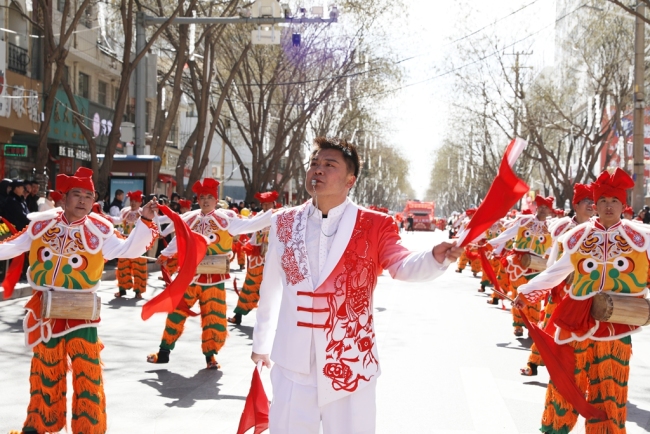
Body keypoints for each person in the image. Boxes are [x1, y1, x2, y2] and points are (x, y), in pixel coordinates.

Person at [251, 137, 462, 434]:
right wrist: (260, 344)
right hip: (291, 362)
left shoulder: (375, 224)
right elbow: (270, 286)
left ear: (350, 180)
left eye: (329, 165)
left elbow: (401, 264)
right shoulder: (283, 222)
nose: (318, 170)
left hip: (350, 362)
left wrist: (434, 258)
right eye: (314, 164)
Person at [0, 167, 158, 434]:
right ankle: (39, 424)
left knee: (88, 372)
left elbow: (128, 249)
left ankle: (88, 428)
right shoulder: (42, 224)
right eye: (77, 194)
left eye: (88, 195)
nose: (83, 200)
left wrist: (144, 220)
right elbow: (11, 247)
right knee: (45, 369)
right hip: (46, 309)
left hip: (81, 312)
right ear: (65, 198)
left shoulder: (100, 229)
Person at [515, 169, 644, 434]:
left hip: (616, 325)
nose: (609, 207)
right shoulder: (577, 237)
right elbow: (556, 271)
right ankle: (554, 429)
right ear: (595, 206)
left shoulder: (641, 239)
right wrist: (527, 290)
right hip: (575, 320)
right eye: (603, 201)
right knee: (565, 383)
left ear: (623, 205)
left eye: (615, 201)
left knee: (609, 390)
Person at [147, 178, 272, 369]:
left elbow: (252, 225)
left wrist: (277, 214)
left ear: (216, 199)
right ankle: (164, 352)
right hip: (189, 277)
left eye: (209, 197)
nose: (205, 201)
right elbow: (179, 239)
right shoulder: (189, 218)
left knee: (214, 319)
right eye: (202, 197)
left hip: (214, 279)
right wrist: (165, 254)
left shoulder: (226, 220)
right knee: (176, 314)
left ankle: (210, 357)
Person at [519, 183, 594, 377]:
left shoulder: (598, 229)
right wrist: (544, 286)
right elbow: (555, 260)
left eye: (594, 201)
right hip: (562, 286)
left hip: (588, 291)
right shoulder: (565, 228)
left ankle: (578, 375)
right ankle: (534, 363)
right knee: (550, 326)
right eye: (587, 201)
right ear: (576, 205)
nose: (591, 205)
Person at [489, 195, 554, 336]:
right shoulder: (524, 221)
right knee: (518, 294)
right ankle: (518, 325)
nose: (543, 210)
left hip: (538, 265)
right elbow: (507, 235)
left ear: (550, 211)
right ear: (536, 206)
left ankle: (532, 325)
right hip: (518, 263)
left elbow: (552, 248)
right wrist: (490, 244)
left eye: (546, 208)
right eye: (541, 207)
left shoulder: (551, 227)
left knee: (534, 297)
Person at [227, 190, 277, 325]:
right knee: (250, 286)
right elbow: (253, 235)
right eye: (263, 204)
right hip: (258, 258)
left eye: (268, 204)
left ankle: (275, 320)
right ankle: (238, 315)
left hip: (274, 258)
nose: (266, 207)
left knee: (274, 289)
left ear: (274, 203)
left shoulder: (280, 216)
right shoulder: (259, 217)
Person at [114, 190, 149, 299]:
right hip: (125, 242)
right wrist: (106, 218)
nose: (133, 203)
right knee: (122, 266)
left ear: (140, 202)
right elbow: (119, 221)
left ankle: (138, 291)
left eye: (136, 201)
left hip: (139, 244)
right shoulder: (125, 211)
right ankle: (122, 289)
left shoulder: (143, 212)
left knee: (139, 268)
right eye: (131, 200)